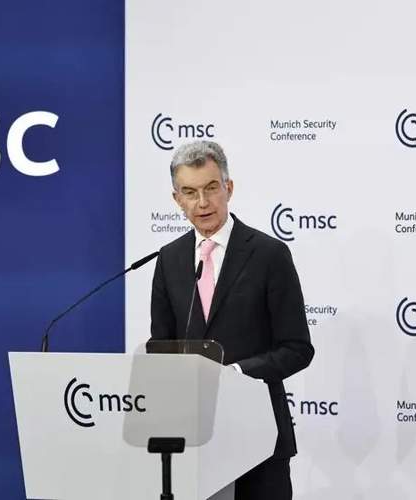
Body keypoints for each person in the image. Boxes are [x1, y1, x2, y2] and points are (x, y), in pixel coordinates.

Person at [149, 140, 314, 500]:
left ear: (229, 188)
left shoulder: (269, 254)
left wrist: (237, 373)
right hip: (193, 442)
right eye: (189, 192)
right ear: (177, 199)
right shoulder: (169, 259)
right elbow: (160, 348)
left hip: (260, 439)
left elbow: (298, 348)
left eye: (211, 188)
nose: (202, 202)